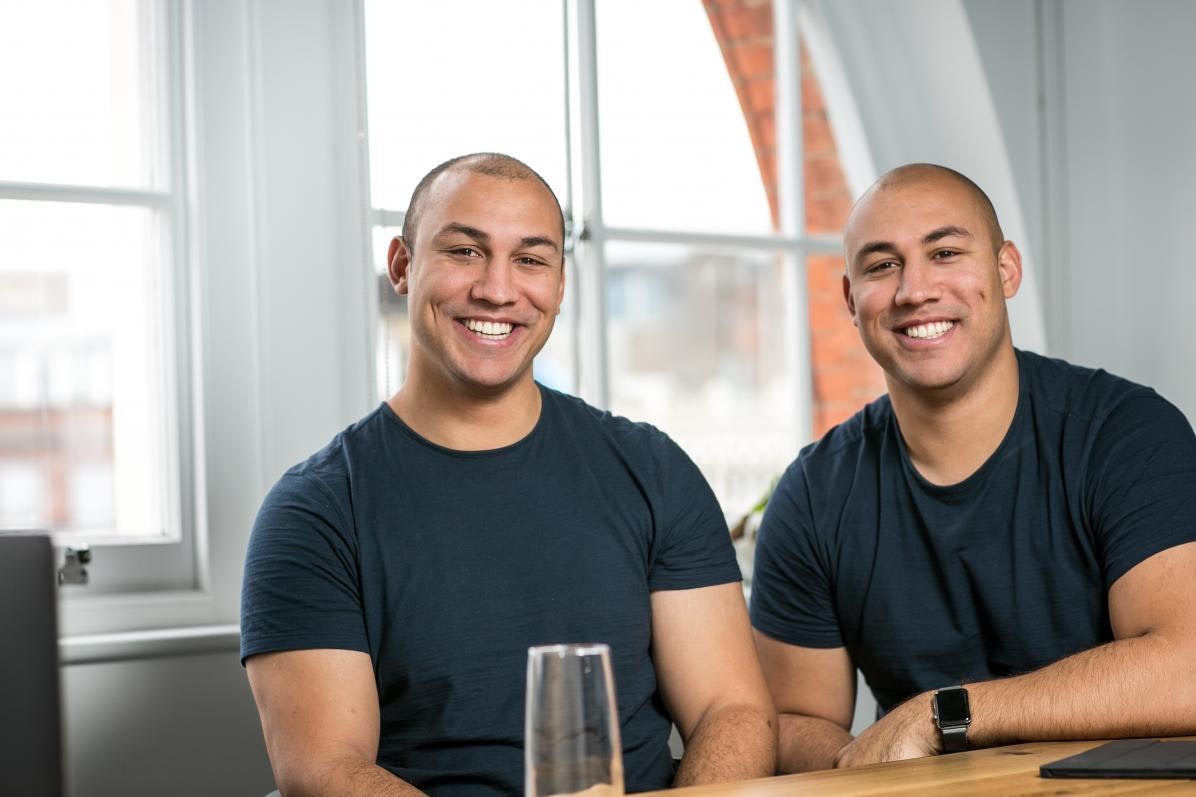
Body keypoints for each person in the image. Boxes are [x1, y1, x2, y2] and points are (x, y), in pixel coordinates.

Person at [240, 153, 776, 795]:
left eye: (530, 259)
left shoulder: (652, 471)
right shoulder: (316, 511)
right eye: (465, 252)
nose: (497, 289)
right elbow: (325, 769)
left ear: (559, 283)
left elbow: (733, 711)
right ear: (403, 266)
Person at [749, 163, 1196, 772]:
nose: (915, 290)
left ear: (1006, 269)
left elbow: (1187, 669)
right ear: (852, 301)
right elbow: (792, 723)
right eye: (883, 265)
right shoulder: (814, 493)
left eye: (946, 252)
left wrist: (944, 716)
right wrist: (872, 764)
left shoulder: (1125, 433)